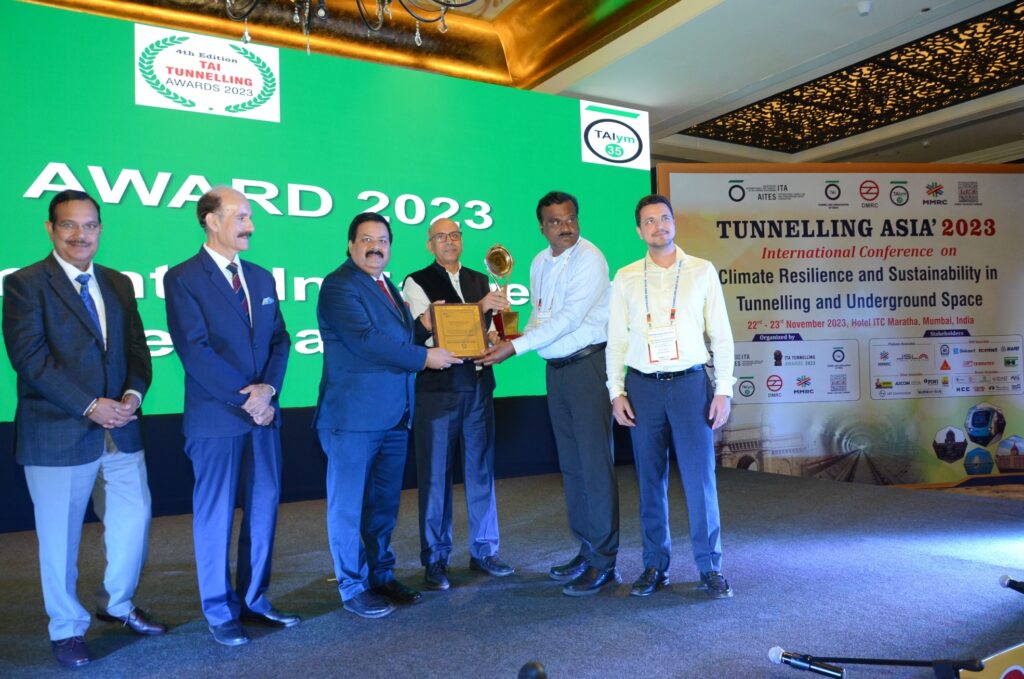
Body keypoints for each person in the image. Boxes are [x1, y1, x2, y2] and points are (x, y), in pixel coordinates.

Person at [2, 189, 164, 669]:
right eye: (69, 225)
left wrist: (133, 394)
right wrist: (90, 406)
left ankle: (117, 603)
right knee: (60, 539)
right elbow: (30, 359)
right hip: (57, 433)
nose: (80, 234)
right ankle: (67, 628)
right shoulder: (25, 284)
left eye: (90, 225)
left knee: (134, 522)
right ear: (50, 229)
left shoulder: (117, 282)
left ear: (100, 229)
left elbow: (137, 349)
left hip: (121, 429)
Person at [165, 187, 298, 646]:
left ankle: (254, 600)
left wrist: (269, 391)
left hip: (263, 416)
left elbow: (281, 339)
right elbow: (195, 350)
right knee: (215, 516)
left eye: (250, 216)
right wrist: (248, 399)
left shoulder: (260, 277)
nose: (251, 226)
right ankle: (219, 610)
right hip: (216, 419)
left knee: (263, 510)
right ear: (211, 220)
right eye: (241, 216)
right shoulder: (182, 278)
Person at [315, 212, 461, 618]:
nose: (375, 247)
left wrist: (424, 324)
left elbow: (400, 336)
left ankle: (381, 575)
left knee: (382, 507)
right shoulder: (338, 285)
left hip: (395, 417)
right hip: (353, 419)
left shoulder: (386, 285)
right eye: (366, 239)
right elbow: (366, 340)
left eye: (382, 240)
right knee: (348, 508)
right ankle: (352, 586)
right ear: (350, 244)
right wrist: (424, 357)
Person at [478, 191, 619, 597]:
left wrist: (514, 349)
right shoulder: (540, 262)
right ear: (542, 227)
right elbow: (543, 317)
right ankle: (587, 548)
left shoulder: (591, 258)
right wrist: (513, 335)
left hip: (588, 367)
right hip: (556, 372)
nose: (565, 227)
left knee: (594, 466)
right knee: (572, 467)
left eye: (570, 218)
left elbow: (571, 319)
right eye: (555, 221)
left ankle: (604, 561)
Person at [606, 194, 736, 599]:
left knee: (700, 480)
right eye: (649, 221)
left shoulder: (701, 270)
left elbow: (721, 335)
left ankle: (710, 567)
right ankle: (654, 565)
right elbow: (617, 339)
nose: (658, 226)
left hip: (690, 385)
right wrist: (616, 391)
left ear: (674, 223)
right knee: (649, 480)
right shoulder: (626, 277)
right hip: (643, 387)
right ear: (638, 230)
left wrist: (724, 389)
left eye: (664, 218)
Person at [403, 218, 515, 591]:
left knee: (481, 470)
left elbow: (489, 328)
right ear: (429, 244)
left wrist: (498, 336)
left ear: (462, 241)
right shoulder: (416, 281)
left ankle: (485, 551)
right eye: (441, 237)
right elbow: (423, 332)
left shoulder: (480, 278)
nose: (449, 242)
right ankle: (435, 559)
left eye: (454, 235)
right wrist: (479, 307)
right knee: (435, 476)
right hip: (438, 392)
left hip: (479, 386)